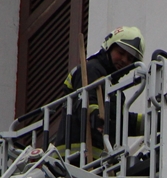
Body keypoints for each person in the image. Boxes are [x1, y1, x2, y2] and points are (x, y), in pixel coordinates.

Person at [56, 26, 145, 156]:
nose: (125, 60)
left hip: (100, 159)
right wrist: (96, 115)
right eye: (121, 53)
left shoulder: (115, 91)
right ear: (109, 47)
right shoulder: (91, 69)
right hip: (77, 154)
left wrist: (154, 121)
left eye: (130, 59)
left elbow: (120, 122)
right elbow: (86, 100)